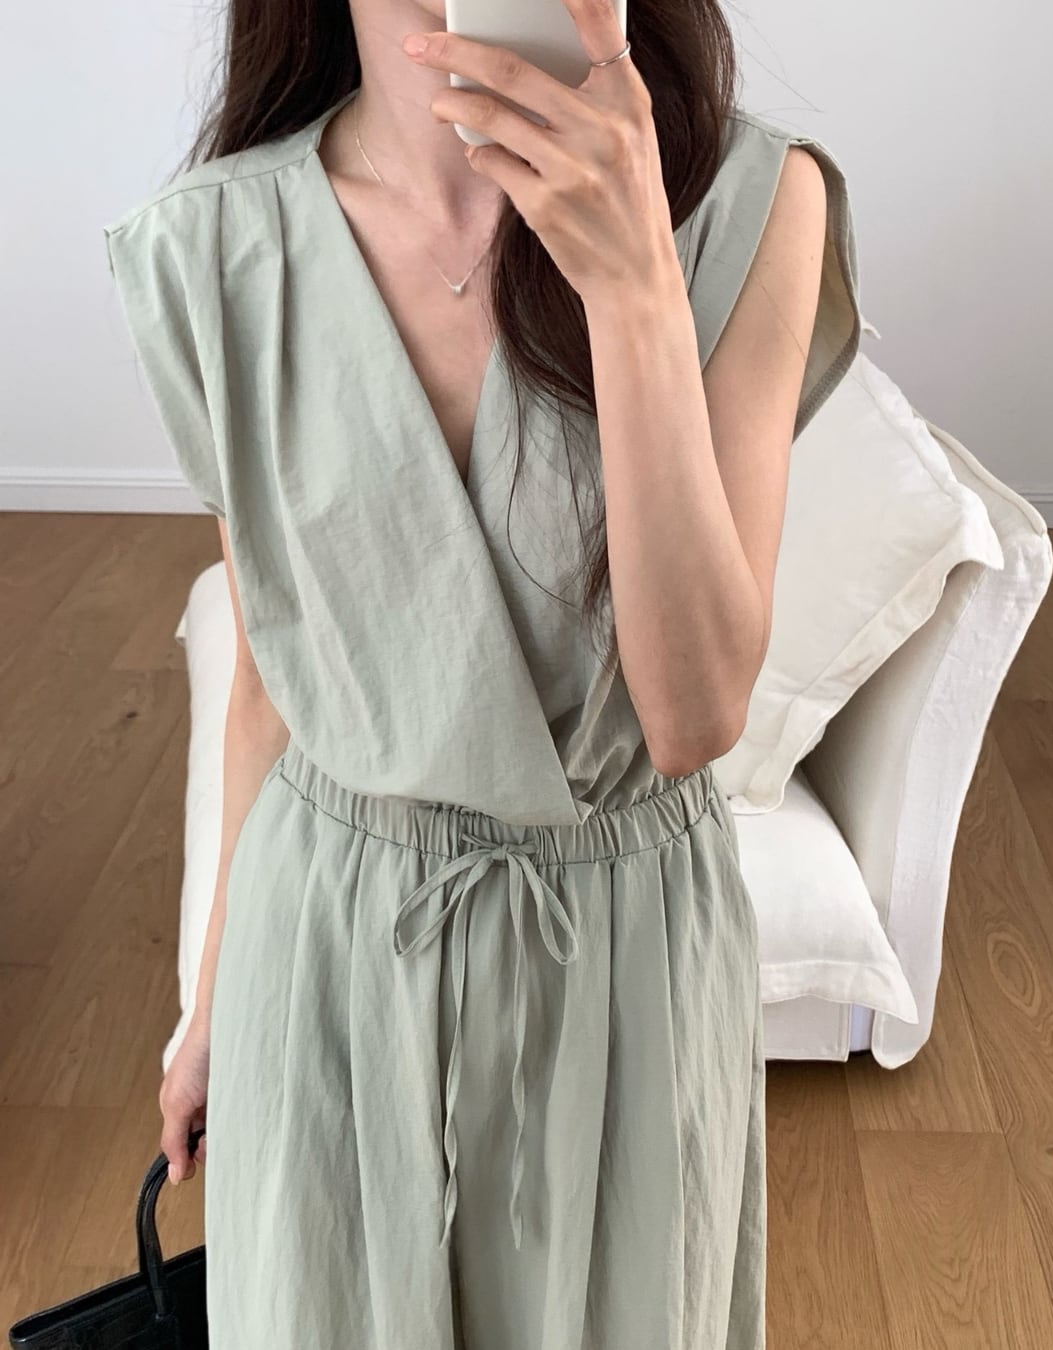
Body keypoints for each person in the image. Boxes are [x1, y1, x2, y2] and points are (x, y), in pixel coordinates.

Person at [103, 0, 862, 1344]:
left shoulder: (752, 204)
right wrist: (210, 1005)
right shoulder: (220, 243)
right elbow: (272, 682)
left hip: (622, 977)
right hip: (326, 967)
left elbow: (694, 713)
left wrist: (633, 285)